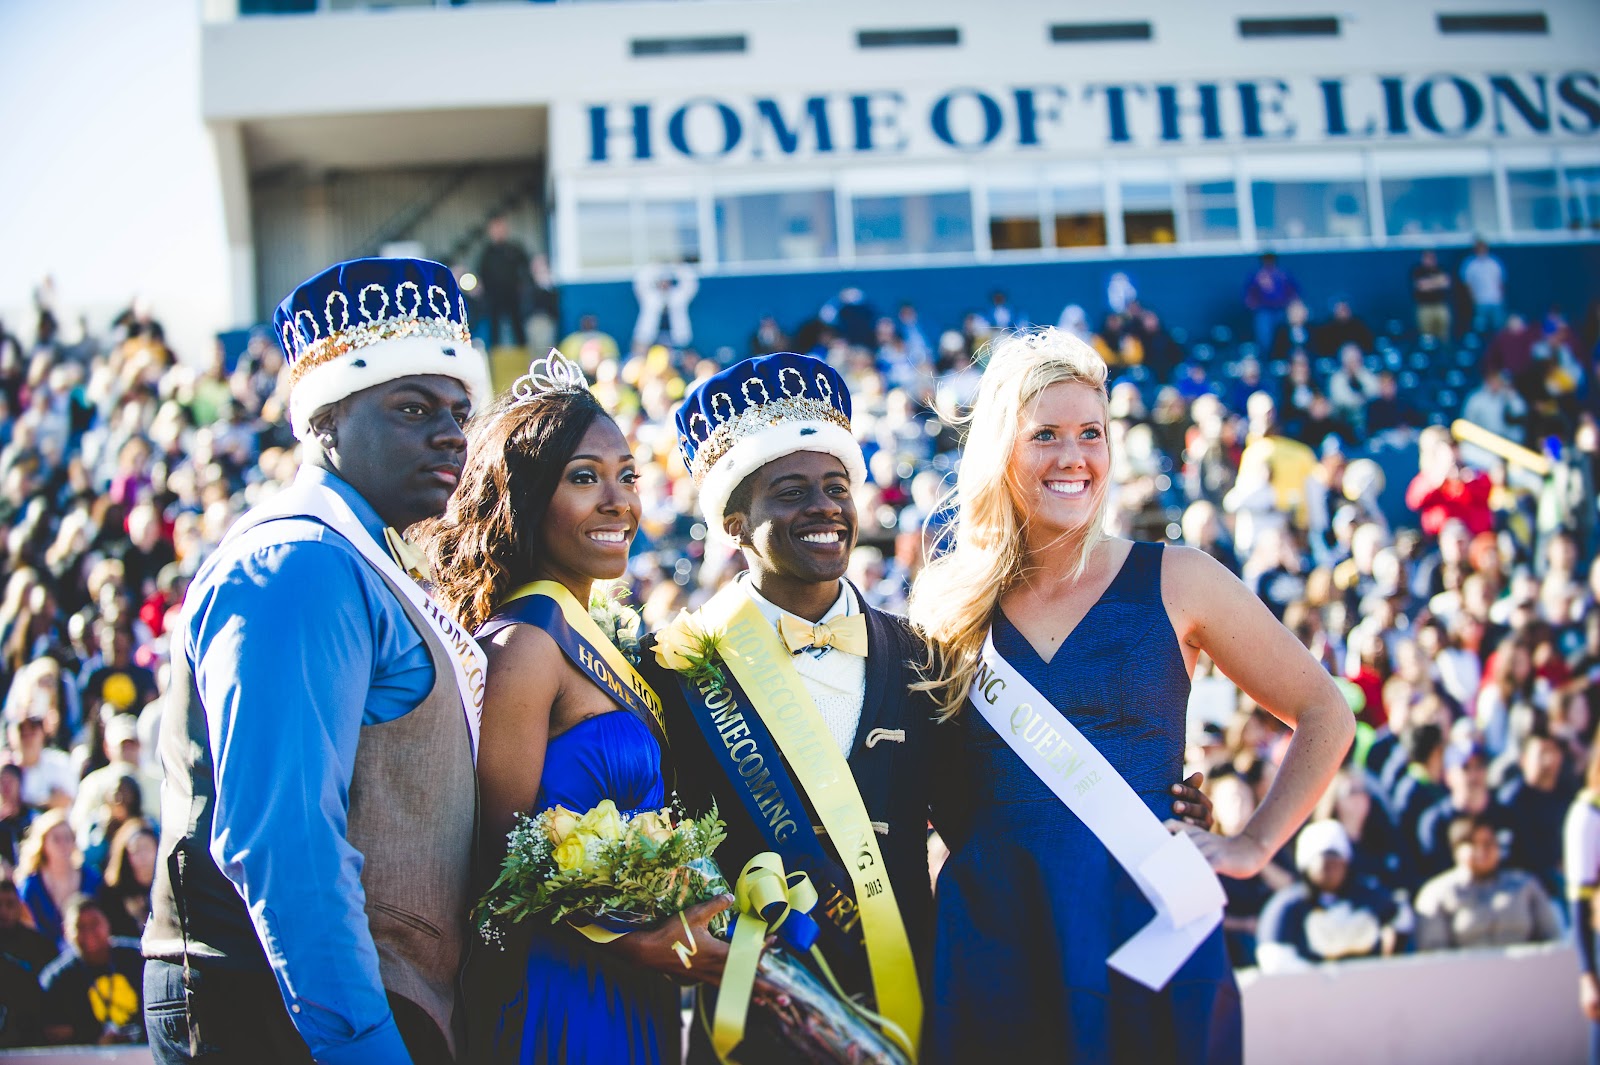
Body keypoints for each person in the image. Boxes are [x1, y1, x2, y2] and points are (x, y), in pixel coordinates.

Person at [910, 327, 1352, 1062]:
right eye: (1044, 434)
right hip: (996, 939)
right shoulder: (948, 608)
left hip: (1149, 931)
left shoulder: (1176, 577)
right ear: (1001, 450)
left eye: (1092, 432)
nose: (1073, 456)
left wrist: (1248, 844)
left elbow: (1324, 711)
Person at [142, 257, 491, 1065]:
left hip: (342, 992)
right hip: (282, 1003)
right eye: (413, 406)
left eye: (459, 411)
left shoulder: (363, 555)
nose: (450, 431)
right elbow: (284, 836)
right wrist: (364, 1044)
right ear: (323, 421)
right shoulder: (298, 561)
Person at [418, 352, 720, 1063]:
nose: (617, 500)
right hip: (562, 991)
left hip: (635, 984)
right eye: (584, 477)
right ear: (526, 497)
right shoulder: (525, 645)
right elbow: (495, 873)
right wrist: (633, 938)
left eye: (626, 475)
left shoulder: (598, 635)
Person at [1255, 820, 1400, 971]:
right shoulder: (1288, 906)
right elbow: (1275, 960)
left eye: (1336, 857)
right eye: (1323, 860)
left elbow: (1400, 924)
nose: (1330, 867)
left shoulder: (1369, 897)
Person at [1414, 813, 1560, 952]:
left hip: (1524, 972)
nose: (1482, 851)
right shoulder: (1438, 893)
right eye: (1473, 844)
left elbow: (1552, 940)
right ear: (1456, 850)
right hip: (1464, 974)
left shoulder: (1525, 885)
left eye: (1488, 843)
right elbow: (1434, 953)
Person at [39, 895, 145, 1045]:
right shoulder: (57, 978)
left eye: (95, 923)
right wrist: (93, 1038)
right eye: (80, 927)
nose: (89, 932)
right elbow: (54, 1031)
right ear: (66, 931)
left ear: (108, 923)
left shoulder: (138, 959)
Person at [16, 808, 101, 951]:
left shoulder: (91, 878)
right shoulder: (31, 886)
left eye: (67, 838)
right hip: (43, 956)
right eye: (56, 839)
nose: (63, 845)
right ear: (43, 844)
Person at [476, 214, 531, 348]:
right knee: (494, 329)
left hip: (513, 296)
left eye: (500, 228)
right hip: (493, 297)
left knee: (518, 326)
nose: (497, 232)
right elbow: (481, 274)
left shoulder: (515, 250)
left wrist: (523, 287)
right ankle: (496, 358)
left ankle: (523, 356)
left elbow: (527, 269)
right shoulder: (487, 253)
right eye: (494, 229)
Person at [1244, 253, 1301, 356]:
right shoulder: (1257, 276)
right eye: (1266, 260)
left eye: (1270, 260)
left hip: (1282, 310)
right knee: (1264, 338)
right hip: (1264, 311)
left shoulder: (1283, 275)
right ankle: (1266, 359)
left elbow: (1294, 292)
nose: (1268, 263)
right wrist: (1254, 305)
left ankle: (1285, 358)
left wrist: (1292, 308)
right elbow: (1249, 296)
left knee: (1286, 336)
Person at [1462, 239, 1507, 336]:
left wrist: (1500, 298)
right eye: (1479, 248)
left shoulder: (1494, 263)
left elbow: (1500, 282)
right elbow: (1467, 284)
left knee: (1498, 328)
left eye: (1483, 248)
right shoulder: (1471, 265)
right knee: (1480, 328)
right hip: (1480, 302)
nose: (1482, 250)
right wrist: (1474, 299)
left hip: (1495, 301)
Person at [1410, 250, 1453, 341]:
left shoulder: (1441, 269)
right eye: (1427, 258)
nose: (1430, 260)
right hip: (1425, 307)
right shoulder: (1418, 271)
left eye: (1432, 258)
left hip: (1440, 306)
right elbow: (1421, 286)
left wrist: (1429, 283)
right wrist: (1437, 282)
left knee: (1444, 334)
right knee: (1427, 336)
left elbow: (1446, 283)